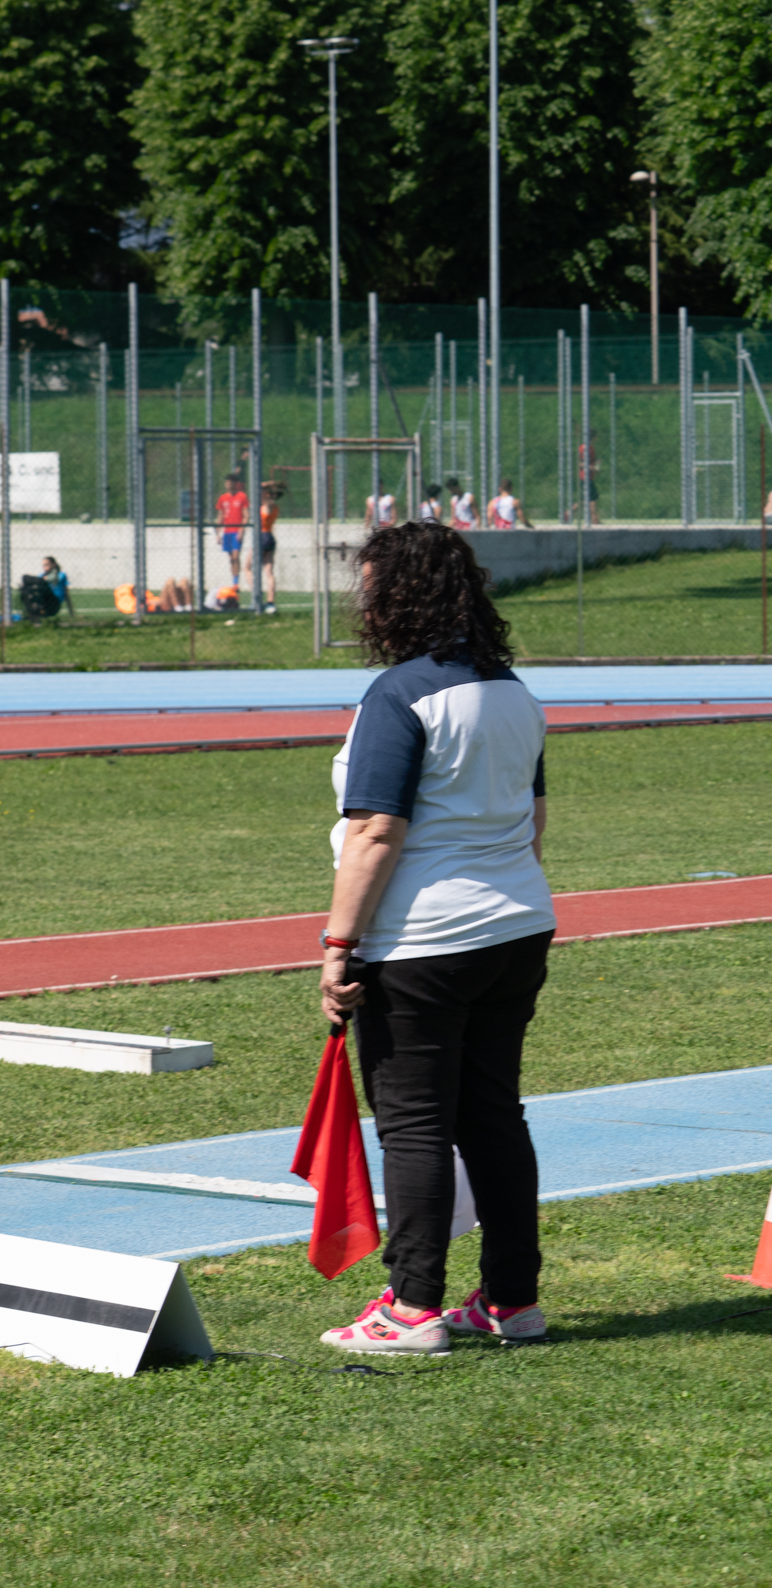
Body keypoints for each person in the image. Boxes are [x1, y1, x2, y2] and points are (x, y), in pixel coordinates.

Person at [316, 520, 555, 1355]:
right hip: (517, 926)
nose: (365, 603)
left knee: (414, 1123)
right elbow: (534, 820)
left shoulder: (399, 694)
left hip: (423, 939)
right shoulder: (514, 690)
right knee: (493, 1117)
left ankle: (412, 1307)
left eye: (371, 587)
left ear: (398, 596)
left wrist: (338, 945)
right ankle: (513, 1302)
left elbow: (376, 831)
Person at [215, 470, 251, 588]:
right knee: (231, 558)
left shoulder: (242, 497)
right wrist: (217, 533)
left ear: (235, 484)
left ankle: (236, 583)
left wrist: (241, 530)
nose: (228, 485)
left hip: (236, 531)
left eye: (230, 483)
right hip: (227, 532)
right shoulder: (222, 498)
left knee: (236, 556)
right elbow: (220, 517)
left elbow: (246, 515)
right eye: (226, 483)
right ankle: (234, 581)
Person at [256, 480, 284, 610]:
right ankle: (270, 602)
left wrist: (269, 484)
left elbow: (258, 487)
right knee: (269, 571)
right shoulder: (275, 507)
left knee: (248, 568)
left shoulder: (267, 505)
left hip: (262, 536)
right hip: (270, 537)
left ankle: (256, 599)